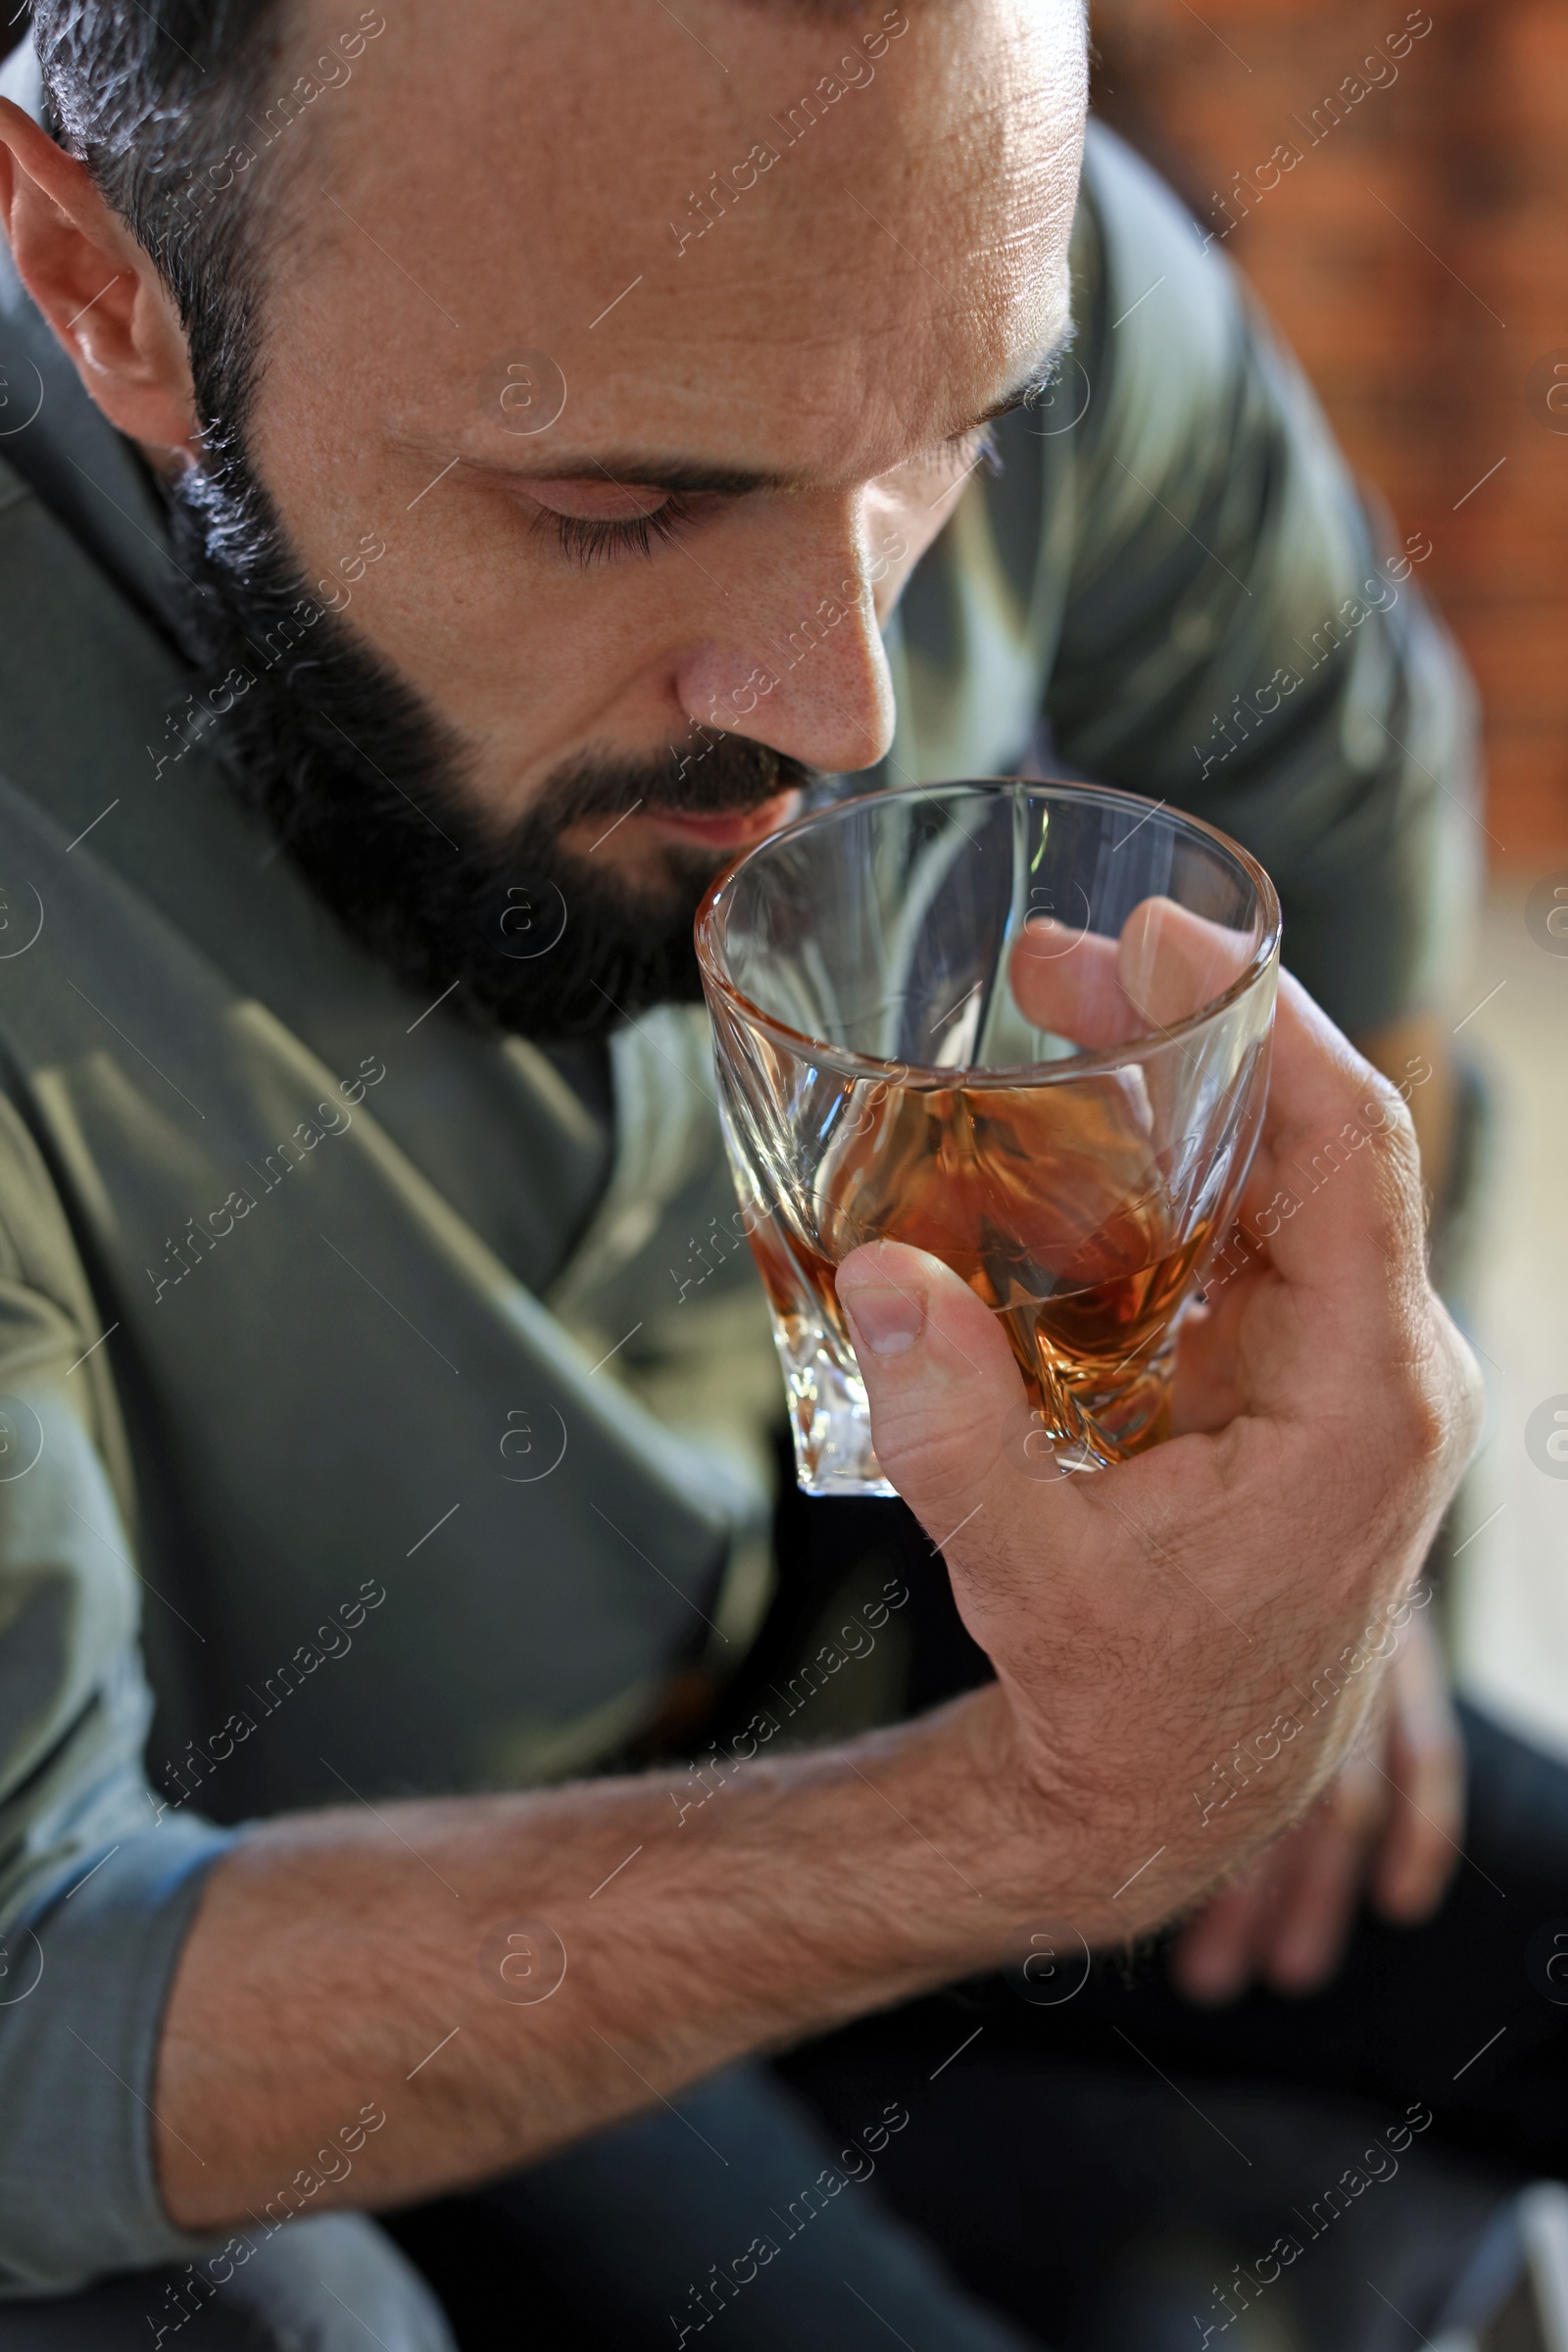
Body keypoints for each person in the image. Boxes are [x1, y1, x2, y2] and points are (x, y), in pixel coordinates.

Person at [0, 1, 1551, 2345]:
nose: (852, 707)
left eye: (953, 446)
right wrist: (1042, 1824)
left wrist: (1339, 1590)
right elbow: (35, 2001)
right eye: (613, 504)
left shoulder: (964, 262)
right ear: (101, 281)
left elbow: (1328, 802)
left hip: (863, 1570)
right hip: (348, 1871)